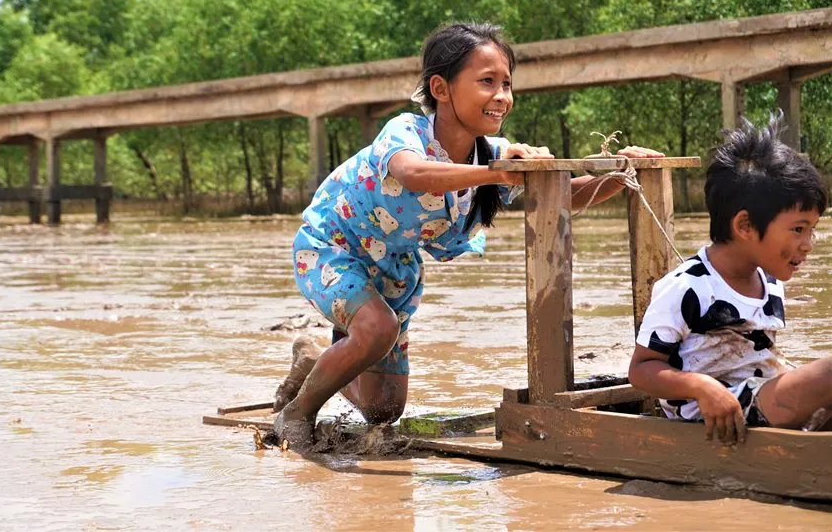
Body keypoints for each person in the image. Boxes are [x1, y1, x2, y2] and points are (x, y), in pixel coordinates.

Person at [270, 22, 663, 450]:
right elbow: (415, 174)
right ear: (441, 88)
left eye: (507, 84)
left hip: (393, 266)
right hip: (331, 247)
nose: (501, 96)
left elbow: (564, 195)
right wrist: (499, 173)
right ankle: (297, 413)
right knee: (377, 326)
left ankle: (315, 361)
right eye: (487, 82)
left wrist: (624, 175)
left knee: (384, 410)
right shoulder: (406, 133)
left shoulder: (491, 155)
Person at [629, 114, 832, 444]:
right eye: (798, 229)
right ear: (746, 226)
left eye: (812, 230)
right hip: (717, 416)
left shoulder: (769, 281)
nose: (808, 245)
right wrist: (702, 387)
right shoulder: (687, 287)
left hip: (762, 399)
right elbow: (641, 369)